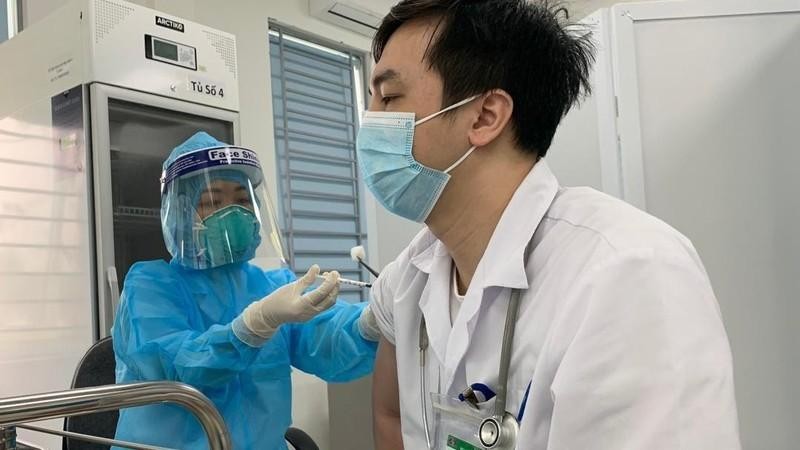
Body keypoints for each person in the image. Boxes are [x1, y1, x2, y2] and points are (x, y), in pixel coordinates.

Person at [362, 1, 741, 449]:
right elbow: (390, 412)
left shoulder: (627, 275)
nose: (370, 118)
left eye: (388, 97)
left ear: (485, 117)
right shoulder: (412, 274)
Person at [112, 132, 380, 449]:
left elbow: (323, 339)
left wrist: (371, 323)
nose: (234, 213)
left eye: (242, 200)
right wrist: (252, 326)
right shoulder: (150, 286)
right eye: (213, 201)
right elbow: (180, 367)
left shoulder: (267, 285)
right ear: (182, 213)